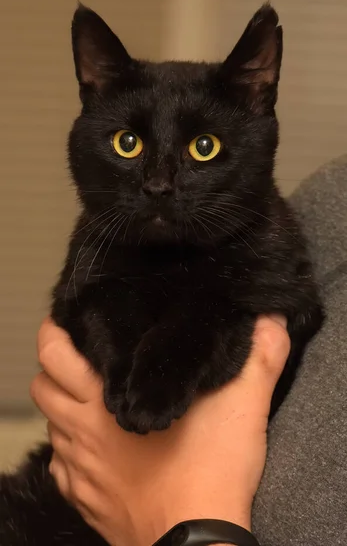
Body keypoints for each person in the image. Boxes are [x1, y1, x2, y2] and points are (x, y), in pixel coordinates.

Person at [30, 156, 347, 546]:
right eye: (127, 145)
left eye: (203, 148)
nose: (159, 183)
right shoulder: (333, 191)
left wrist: (182, 522)